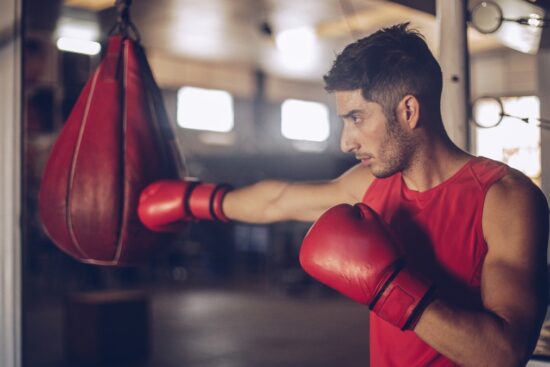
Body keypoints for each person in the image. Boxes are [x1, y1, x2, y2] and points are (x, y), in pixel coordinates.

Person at [137, 23, 549, 366]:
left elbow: (504, 353)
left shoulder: (504, 198)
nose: (345, 141)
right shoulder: (369, 184)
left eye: (356, 118)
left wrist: (390, 289)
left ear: (408, 111)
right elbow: (277, 200)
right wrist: (193, 200)